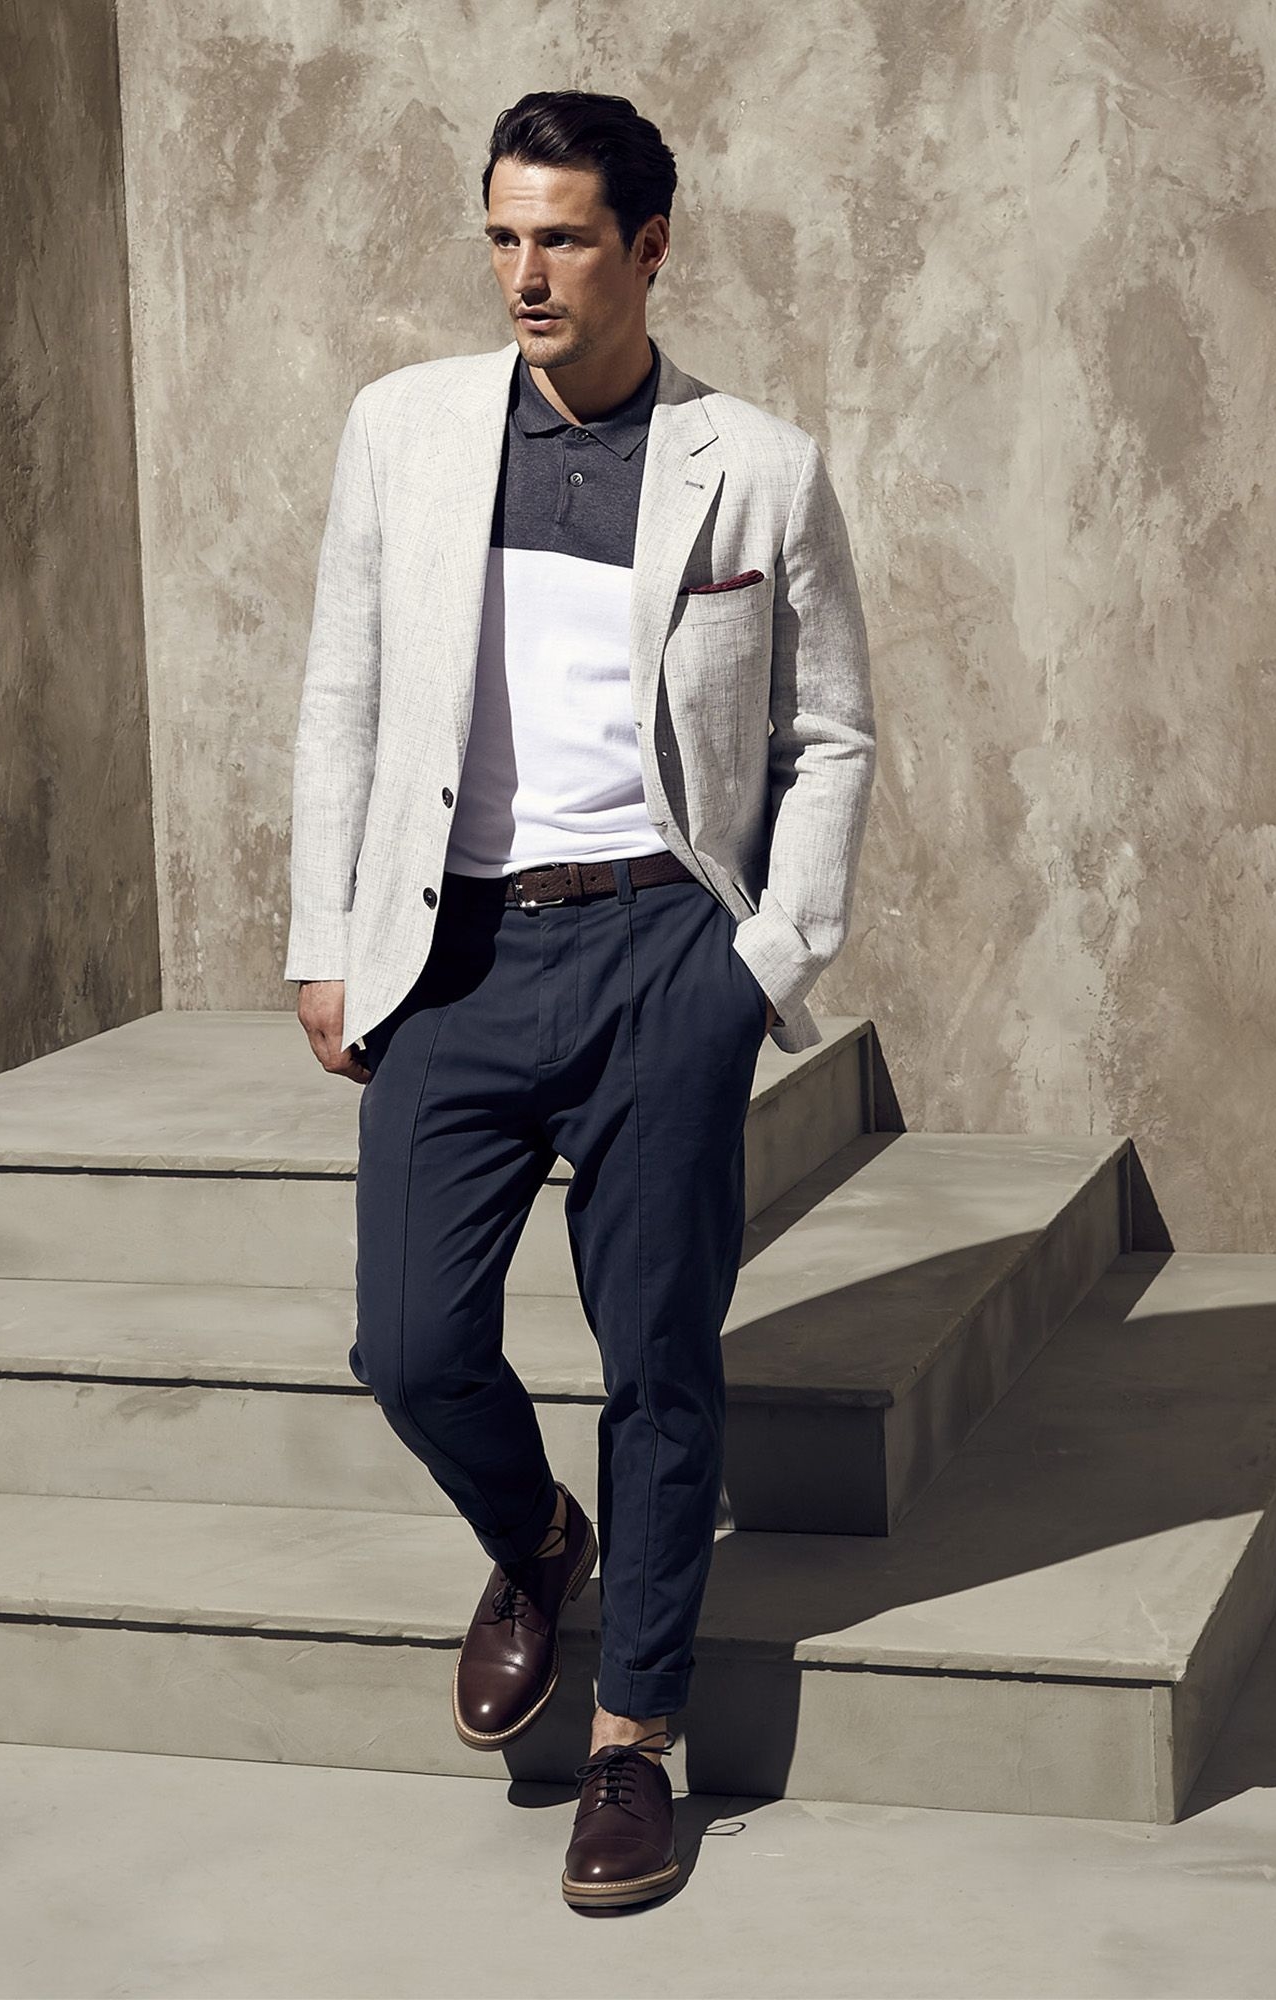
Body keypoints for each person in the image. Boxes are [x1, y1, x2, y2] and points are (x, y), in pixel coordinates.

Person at [286, 89, 875, 1909]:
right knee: (410, 1344)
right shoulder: (403, 428)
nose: (524, 274)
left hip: (659, 952)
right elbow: (344, 691)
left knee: (659, 1358)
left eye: (561, 238)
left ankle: (636, 1741)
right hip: (453, 953)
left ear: (649, 248)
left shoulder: (755, 466)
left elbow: (831, 733)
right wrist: (326, 932)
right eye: (502, 237)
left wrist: (762, 963)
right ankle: (539, 1539)